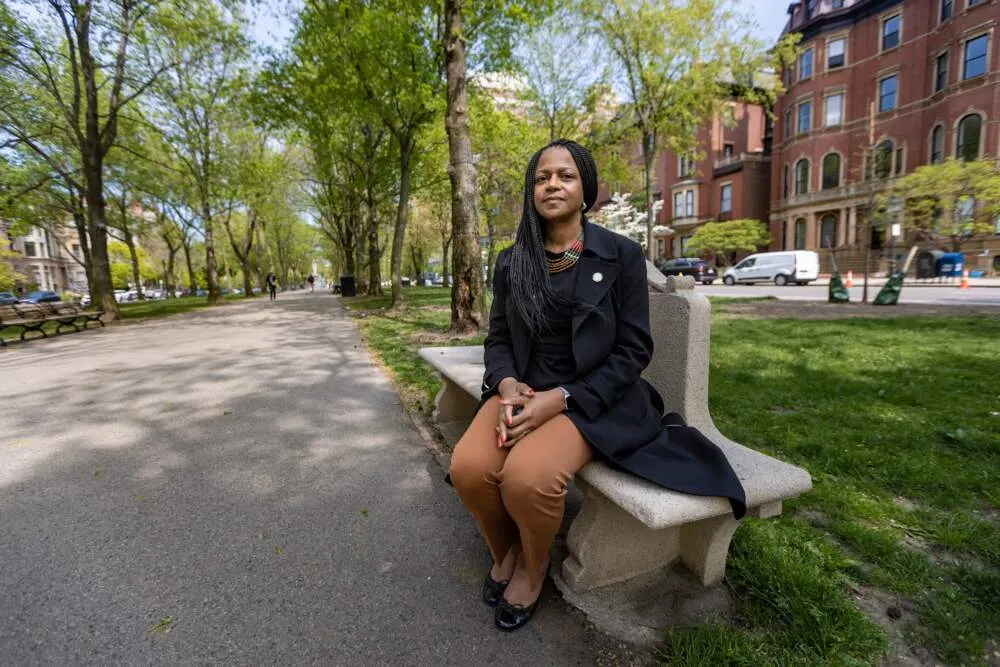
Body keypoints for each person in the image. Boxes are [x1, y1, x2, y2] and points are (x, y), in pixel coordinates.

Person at [448, 139, 746, 632]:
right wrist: (505, 386)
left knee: (529, 479)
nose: (552, 185)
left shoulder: (621, 255)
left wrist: (561, 399)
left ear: (584, 187)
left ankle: (534, 565)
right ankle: (506, 551)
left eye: (565, 176)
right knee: (470, 468)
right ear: (532, 189)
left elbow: (633, 350)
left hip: (590, 398)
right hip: (519, 393)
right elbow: (498, 338)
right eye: (542, 177)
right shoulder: (511, 261)